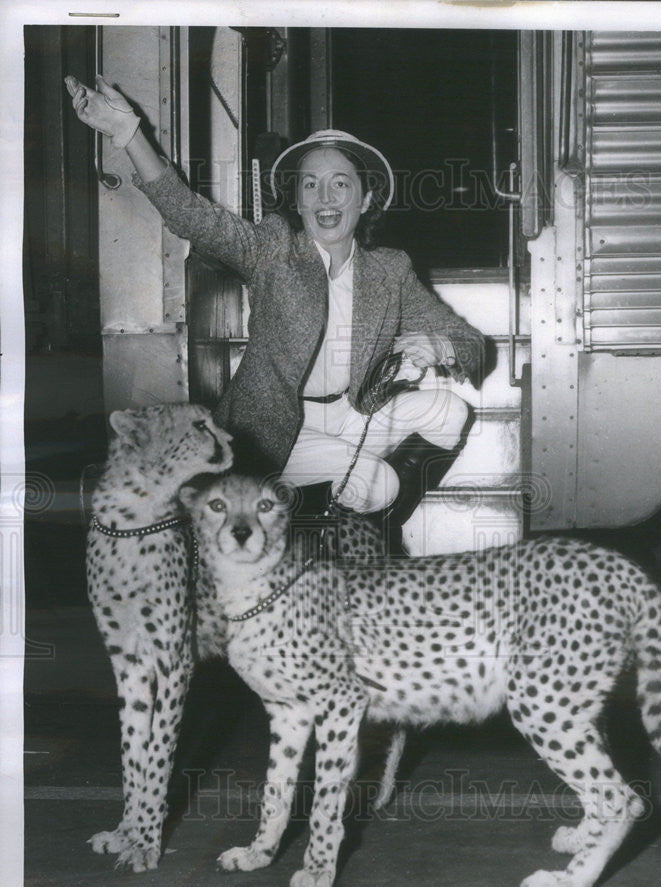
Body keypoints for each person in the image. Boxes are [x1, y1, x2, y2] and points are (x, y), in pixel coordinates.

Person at [64, 74, 486, 540]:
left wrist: (439, 343)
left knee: (449, 411)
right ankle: (297, 529)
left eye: (340, 184)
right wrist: (128, 133)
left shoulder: (390, 270)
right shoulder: (273, 248)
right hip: (280, 428)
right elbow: (192, 216)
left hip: (353, 412)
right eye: (310, 185)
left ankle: (366, 536)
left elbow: (473, 345)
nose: (325, 198)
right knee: (377, 482)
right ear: (298, 202)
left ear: (365, 199)